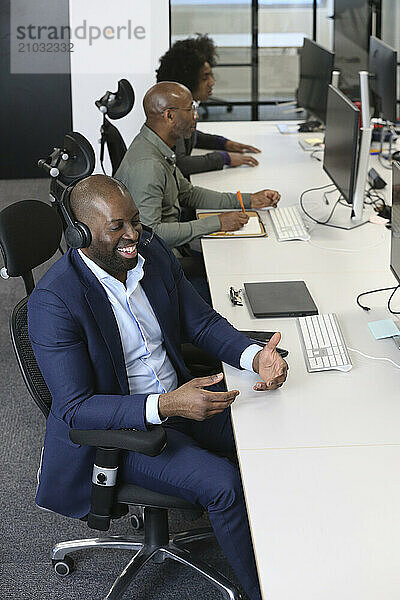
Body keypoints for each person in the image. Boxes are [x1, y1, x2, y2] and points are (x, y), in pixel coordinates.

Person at [28, 175, 288, 600]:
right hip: (123, 434)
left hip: (182, 398)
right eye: (117, 227)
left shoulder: (150, 254)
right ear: (81, 234)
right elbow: (76, 410)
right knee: (224, 484)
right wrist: (167, 405)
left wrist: (253, 355)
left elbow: (200, 321)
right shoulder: (55, 301)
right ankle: (262, 592)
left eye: (135, 221)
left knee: (277, 423)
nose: (133, 235)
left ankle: (296, 552)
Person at [115, 81, 280, 252]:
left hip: (174, 246)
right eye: (190, 109)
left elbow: (188, 193)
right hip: (163, 261)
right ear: (169, 116)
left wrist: (249, 199)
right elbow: (149, 233)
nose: (196, 116)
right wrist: (217, 223)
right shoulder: (149, 166)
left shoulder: (157, 147)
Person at [156, 34, 261, 179]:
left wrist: (224, 143)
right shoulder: (173, 113)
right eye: (205, 77)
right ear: (187, 79)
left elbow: (190, 136)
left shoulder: (180, 108)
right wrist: (224, 158)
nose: (212, 82)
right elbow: (180, 163)